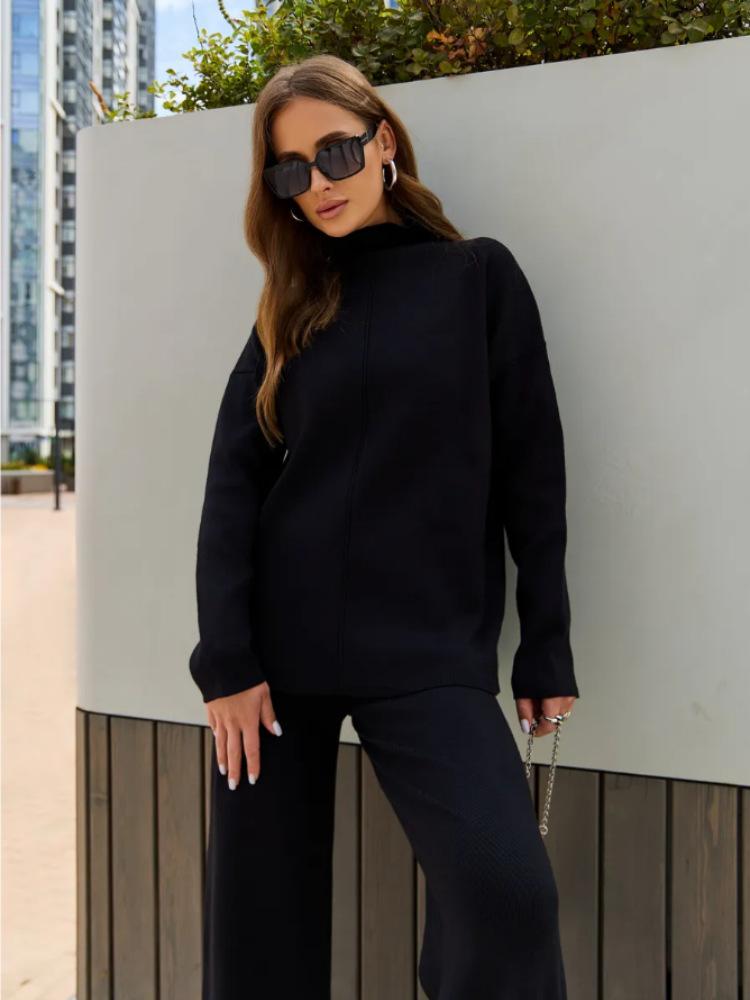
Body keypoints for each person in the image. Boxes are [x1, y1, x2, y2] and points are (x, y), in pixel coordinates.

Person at [188, 53, 579, 1000]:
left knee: (505, 896)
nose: (318, 183)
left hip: (427, 649)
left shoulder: (476, 277)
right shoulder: (290, 307)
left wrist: (547, 643)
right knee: (258, 937)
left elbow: (533, 470)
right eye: (290, 170)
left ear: (383, 141)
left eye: (336, 152)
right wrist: (225, 662)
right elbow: (233, 487)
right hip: (276, 658)